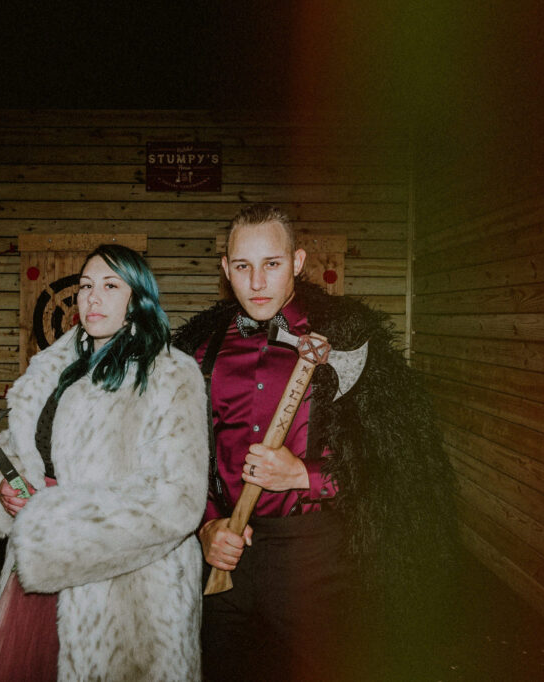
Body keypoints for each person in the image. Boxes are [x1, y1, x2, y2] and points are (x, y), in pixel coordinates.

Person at [172, 204, 457, 681]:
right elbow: (178, 458)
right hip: (226, 558)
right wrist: (205, 528)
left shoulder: (347, 335)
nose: (257, 282)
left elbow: (402, 461)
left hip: (317, 558)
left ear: (298, 262)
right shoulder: (198, 348)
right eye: (243, 266)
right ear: (226, 270)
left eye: (272, 264)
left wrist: (302, 474)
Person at [0, 244, 209, 681]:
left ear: (138, 299)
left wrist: (54, 519)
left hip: (129, 593)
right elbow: (25, 447)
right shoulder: (54, 368)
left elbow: (178, 499)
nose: (93, 298)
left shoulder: (170, 373)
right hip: (36, 575)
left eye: (111, 286)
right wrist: (4, 485)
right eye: (86, 286)